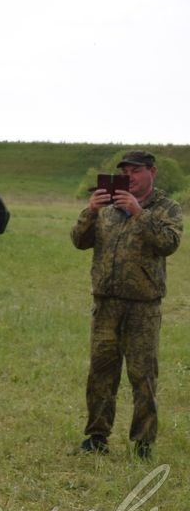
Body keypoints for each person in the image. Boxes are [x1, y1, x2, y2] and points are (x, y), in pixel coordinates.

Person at [71, 150, 182, 459]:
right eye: (126, 172)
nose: (130, 177)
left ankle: (143, 443)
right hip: (106, 304)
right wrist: (90, 212)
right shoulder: (106, 208)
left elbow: (169, 244)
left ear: (152, 173)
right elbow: (79, 241)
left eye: (136, 171)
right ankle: (96, 438)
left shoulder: (166, 208)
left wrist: (138, 213)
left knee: (142, 376)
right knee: (101, 374)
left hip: (143, 307)